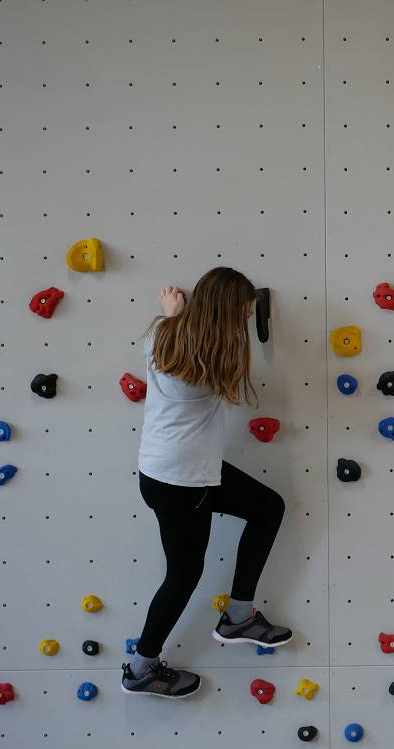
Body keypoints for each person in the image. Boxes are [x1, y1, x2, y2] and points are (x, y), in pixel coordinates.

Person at [122, 267, 292, 699]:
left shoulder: (161, 336)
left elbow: (178, 332)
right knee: (183, 577)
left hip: (164, 470)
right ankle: (141, 669)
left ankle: (239, 616)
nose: (247, 319)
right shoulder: (216, 359)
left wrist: (172, 313)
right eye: (244, 313)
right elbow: (223, 370)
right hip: (185, 482)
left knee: (268, 507)